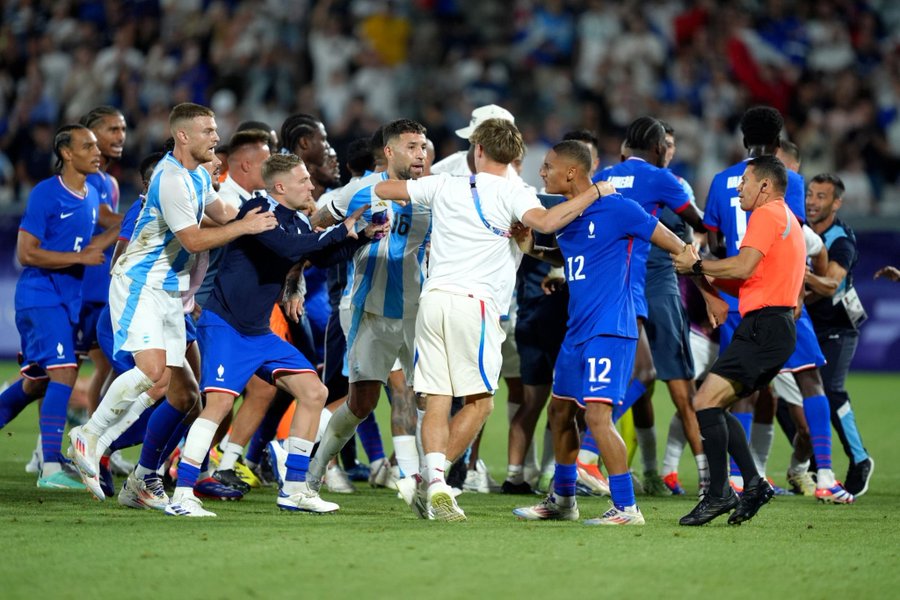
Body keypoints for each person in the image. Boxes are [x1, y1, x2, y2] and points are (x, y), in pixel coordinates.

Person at [373, 118, 615, 521]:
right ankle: (435, 482)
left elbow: (383, 188)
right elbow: (550, 223)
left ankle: (429, 481)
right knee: (481, 403)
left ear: (479, 151)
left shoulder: (445, 184)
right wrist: (594, 192)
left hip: (433, 300)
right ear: (516, 155)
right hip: (477, 305)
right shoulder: (515, 192)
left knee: (437, 398)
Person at [68, 103, 277, 499]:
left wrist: (264, 214)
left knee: (184, 394)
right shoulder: (171, 179)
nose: (216, 137)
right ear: (183, 135)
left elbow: (223, 213)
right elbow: (194, 239)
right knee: (151, 372)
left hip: (170, 293)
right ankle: (89, 435)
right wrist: (246, 227)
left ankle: (142, 481)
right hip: (140, 284)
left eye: (215, 130)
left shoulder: (198, 175)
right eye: (208, 131)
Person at [167, 153, 384, 517]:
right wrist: (339, 228)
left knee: (314, 391)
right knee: (218, 406)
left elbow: (319, 256)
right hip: (226, 327)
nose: (311, 186)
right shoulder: (257, 209)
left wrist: (360, 237)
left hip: (258, 332)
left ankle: (295, 489)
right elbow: (291, 249)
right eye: (303, 181)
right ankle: (183, 492)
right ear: (280, 187)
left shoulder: (296, 221)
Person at [513, 141, 709, 525]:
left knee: (598, 417)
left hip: (611, 327)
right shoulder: (568, 214)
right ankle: (563, 500)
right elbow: (574, 255)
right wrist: (534, 250)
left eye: (548, 166)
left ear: (571, 172)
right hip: (577, 328)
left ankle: (626, 507)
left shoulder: (619, 208)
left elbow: (673, 242)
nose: (542, 172)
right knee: (559, 410)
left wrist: (689, 258)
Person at [704, 106, 852, 504]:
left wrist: (714, 290)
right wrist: (799, 295)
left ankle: (737, 478)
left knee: (741, 390)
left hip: (739, 295)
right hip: (780, 297)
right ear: (778, 141)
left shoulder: (720, 182)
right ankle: (824, 476)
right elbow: (795, 239)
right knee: (810, 380)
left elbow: (715, 244)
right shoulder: (790, 181)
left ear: (741, 139)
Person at [674, 155, 805, 526]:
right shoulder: (786, 219)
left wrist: (696, 265)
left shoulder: (767, 215)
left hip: (764, 327)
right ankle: (752, 485)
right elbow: (749, 278)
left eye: (745, 180)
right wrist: (708, 283)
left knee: (704, 401)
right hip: (771, 327)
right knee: (714, 406)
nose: (739, 186)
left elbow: (742, 267)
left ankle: (720, 493)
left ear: (765, 185)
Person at [304, 119, 430, 498]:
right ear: (389, 152)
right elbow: (315, 226)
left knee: (427, 396)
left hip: (418, 313)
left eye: (423, 146)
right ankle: (314, 472)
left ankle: (423, 481)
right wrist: (296, 274)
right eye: (411, 146)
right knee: (361, 402)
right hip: (369, 311)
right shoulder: (359, 192)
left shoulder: (435, 192)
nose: (421, 153)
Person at [594, 117, 708, 497]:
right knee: (675, 382)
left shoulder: (607, 174)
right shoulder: (665, 179)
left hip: (613, 281)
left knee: (627, 373)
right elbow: (698, 223)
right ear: (659, 148)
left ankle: (576, 463)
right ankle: (708, 476)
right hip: (655, 280)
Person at [0, 124, 116, 488]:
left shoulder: (89, 193)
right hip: (40, 296)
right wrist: (78, 257)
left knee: (36, 383)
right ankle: (50, 467)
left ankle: (51, 460)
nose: (96, 152)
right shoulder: (47, 193)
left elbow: (100, 238)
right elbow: (25, 252)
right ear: (66, 153)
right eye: (88, 146)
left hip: (66, 301)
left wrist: (132, 220)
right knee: (65, 372)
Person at [804, 173, 873, 496]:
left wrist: (797, 277)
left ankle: (859, 459)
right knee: (781, 394)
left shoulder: (840, 240)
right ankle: (815, 463)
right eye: (810, 194)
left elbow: (830, 285)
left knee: (831, 391)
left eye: (821, 196)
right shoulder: (802, 228)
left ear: (836, 203)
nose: (812, 201)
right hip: (806, 324)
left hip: (837, 327)